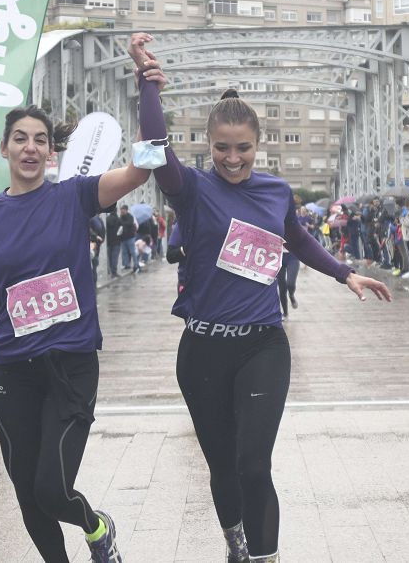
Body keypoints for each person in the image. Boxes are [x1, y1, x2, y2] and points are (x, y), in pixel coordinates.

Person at [0, 32, 165, 562]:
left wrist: (146, 85)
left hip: (70, 364)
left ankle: (96, 526)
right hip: (13, 368)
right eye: (19, 138)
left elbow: (146, 164)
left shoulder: (74, 196)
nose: (30, 148)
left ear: (51, 151)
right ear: (3, 149)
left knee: (52, 487)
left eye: (40, 139)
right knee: (27, 493)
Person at [136, 42, 391, 562]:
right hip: (203, 350)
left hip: (263, 346)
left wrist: (347, 275)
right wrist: (148, 85)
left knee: (254, 465)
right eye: (223, 148)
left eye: (244, 148)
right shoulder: (192, 191)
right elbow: (157, 147)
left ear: (259, 145)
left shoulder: (276, 191)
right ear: (209, 144)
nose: (233, 159)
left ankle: (264, 558)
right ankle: (236, 545)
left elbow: (297, 240)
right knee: (223, 468)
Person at [116, 204, 141, 273]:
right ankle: (126, 265)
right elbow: (119, 224)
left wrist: (122, 223)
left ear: (126, 210)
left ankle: (136, 264)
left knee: (132, 251)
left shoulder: (130, 217)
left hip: (130, 237)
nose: (122, 211)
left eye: (123, 210)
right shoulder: (121, 217)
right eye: (121, 210)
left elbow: (129, 223)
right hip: (123, 238)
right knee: (124, 252)